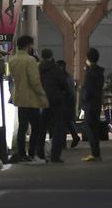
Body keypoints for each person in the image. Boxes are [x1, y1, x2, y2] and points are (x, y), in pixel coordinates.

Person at [8, 35, 48, 163]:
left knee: (22, 127)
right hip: (31, 98)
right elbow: (34, 81)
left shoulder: (12, 60)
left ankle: (21, 154)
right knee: (36, 127)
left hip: (19, 97)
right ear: (28, 46)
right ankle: (32, 152)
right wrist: (42, 94)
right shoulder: (30, 60)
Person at [38, 49, 69, 163]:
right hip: (56, 101)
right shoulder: (56, 69)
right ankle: (55, 155)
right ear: (51, 56)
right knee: (58, 128)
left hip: (42, 101)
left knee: (41, 129)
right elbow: (64, 84)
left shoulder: (38, 68)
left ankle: (40, 154)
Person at [80, 47, 105, 162]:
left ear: (88, 58)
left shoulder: (90, 72)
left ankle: (94, 153)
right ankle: (96, 152)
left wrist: (83, 100)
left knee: (89, 128)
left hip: (90, 104)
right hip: (97, 103)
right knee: (94, 128)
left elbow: (87, 89)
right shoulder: (100, 72)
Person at [58, 60, 82, 148]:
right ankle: (75, 137)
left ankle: (63, 143)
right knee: (67, 122)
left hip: (65, 102)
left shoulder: (63, 77)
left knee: (63, 122)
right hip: (69, 102)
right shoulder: (68, 76)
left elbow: (65, 91)